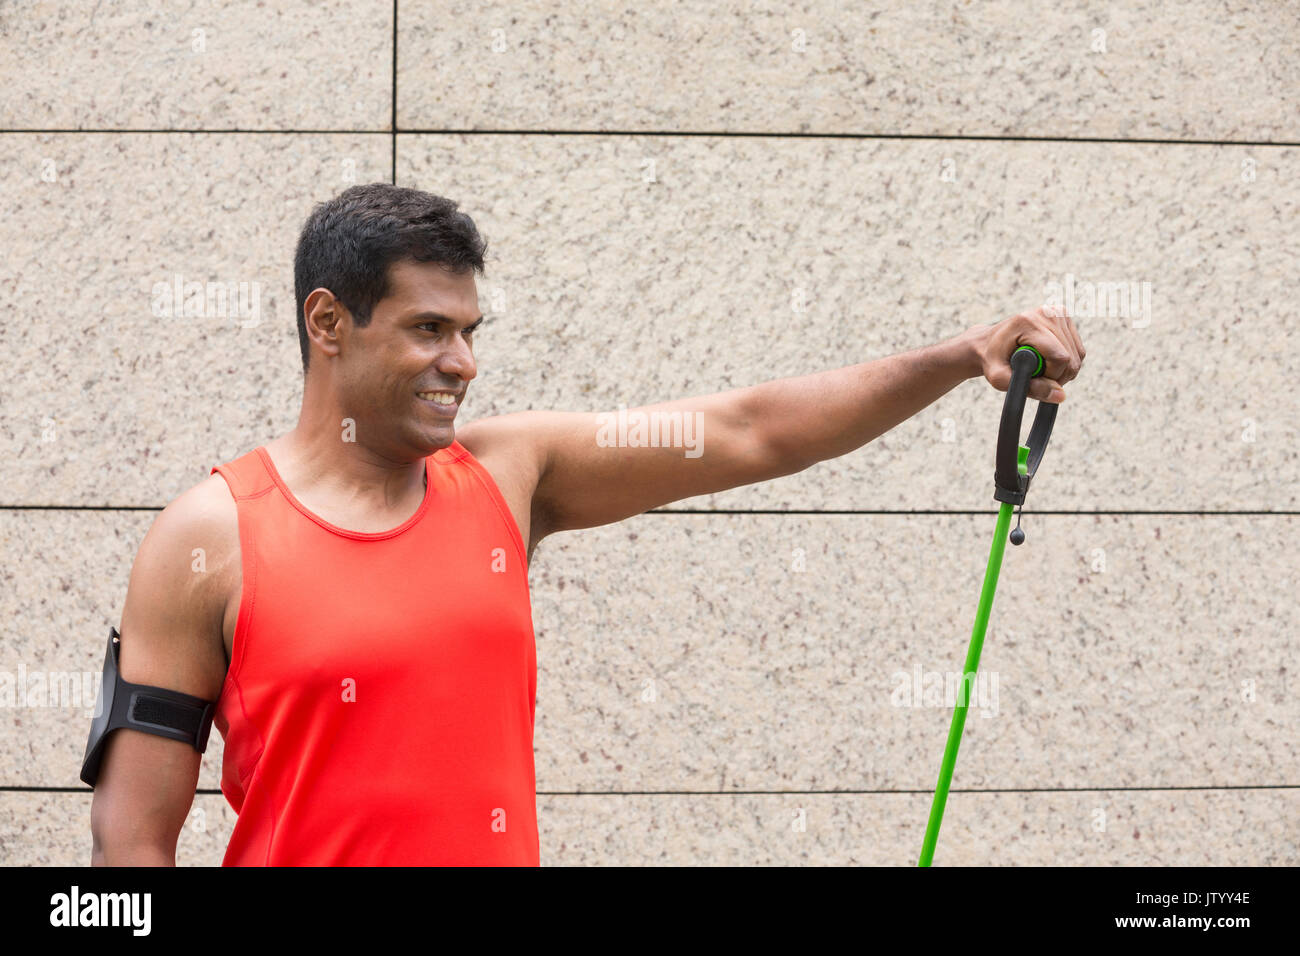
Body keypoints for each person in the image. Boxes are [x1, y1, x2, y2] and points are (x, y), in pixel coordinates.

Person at [87, 183, 1084, 866]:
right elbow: (132, 842)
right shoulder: (208, 535)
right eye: (429, 328)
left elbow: (752, 429)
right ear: (327, 322)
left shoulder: (510, 474)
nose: (463, 361)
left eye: (470, 332)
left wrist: (960, 355)